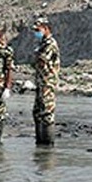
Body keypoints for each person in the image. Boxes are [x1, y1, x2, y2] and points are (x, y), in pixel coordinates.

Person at [33, 17, 61, 146]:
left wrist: (37, 55)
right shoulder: (42, 43)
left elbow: (42, 60)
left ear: (46, 28)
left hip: (47, 83)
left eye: (38, 30)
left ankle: (48, 146)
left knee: (47, 113)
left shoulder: (50, 44)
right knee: (37, 112)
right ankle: (40, 143)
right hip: (41, 82)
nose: (36, 33)